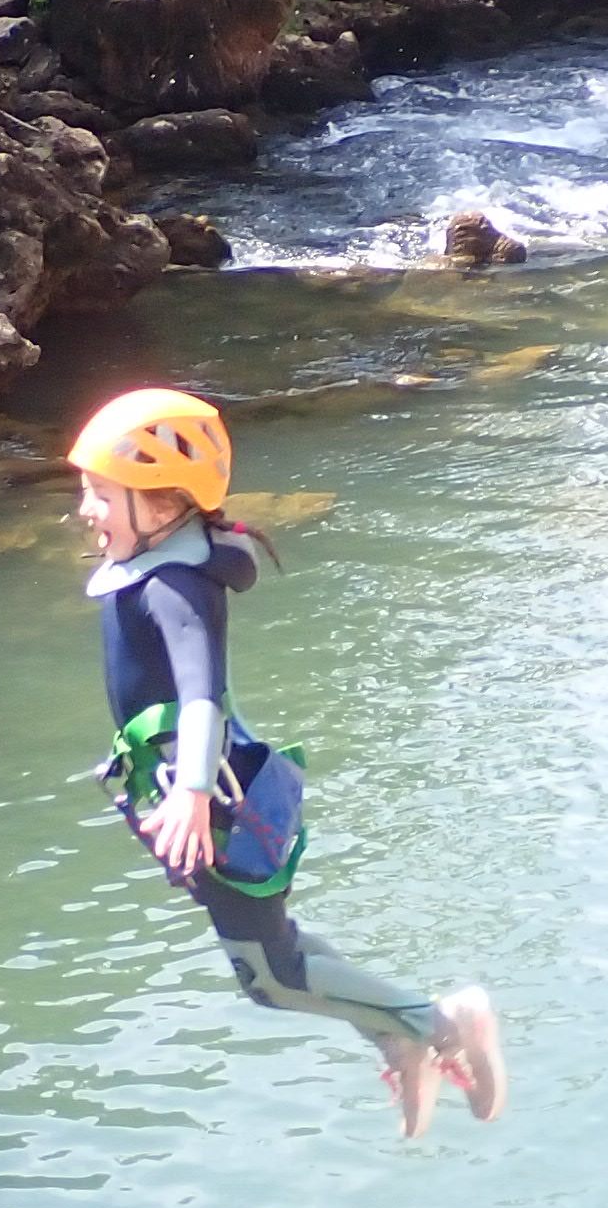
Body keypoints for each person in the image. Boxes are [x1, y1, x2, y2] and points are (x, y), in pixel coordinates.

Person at [68, 387, 505, 1139]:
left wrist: (195, 794)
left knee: (271, 978)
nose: (85, 509)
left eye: (102, 494)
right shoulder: (162, 566)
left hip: (222, 804)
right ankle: (398, 1039)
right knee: (280, 952)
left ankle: (439, 1022)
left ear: (165, 504)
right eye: (86, 491)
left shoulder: (174, 586)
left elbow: (200, 696)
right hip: (202, 799)